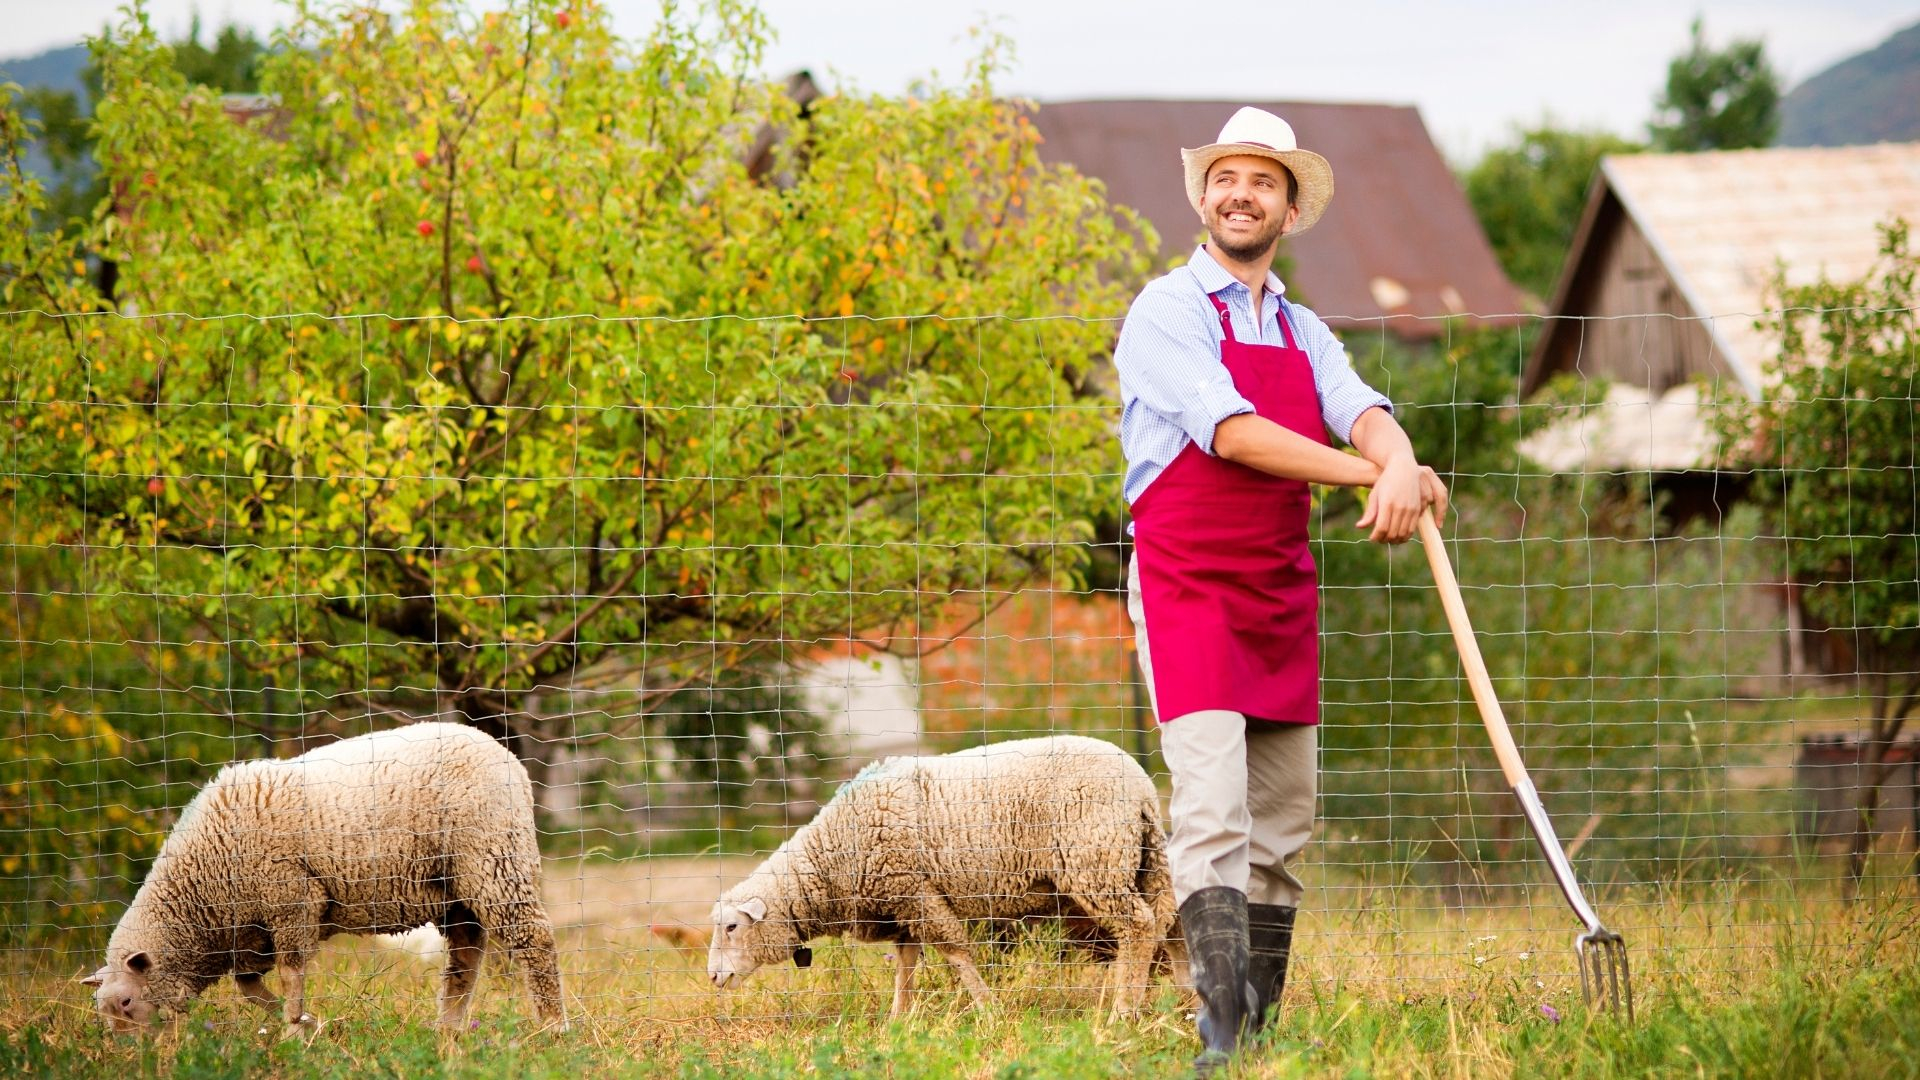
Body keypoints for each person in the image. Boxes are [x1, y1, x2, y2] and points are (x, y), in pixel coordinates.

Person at [1114, 106, 1448, 1075]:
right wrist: (1369, 477)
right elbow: (1232, 434)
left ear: (1289, 210)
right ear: (1204, 197)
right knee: (1213, 809)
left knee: (1285, 821)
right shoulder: (1166, 312)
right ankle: (1216, 1034)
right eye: (1226, 177)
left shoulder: (1303, 328)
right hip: (1187, 588)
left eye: (1263, 181)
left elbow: (1364, 411)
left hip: (1275, 593)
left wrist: (1401, 456)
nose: (1240, 194)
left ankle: (1260, 1028)